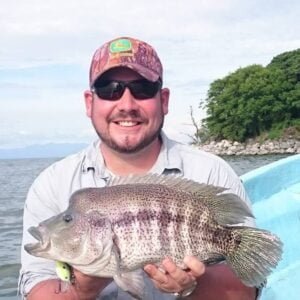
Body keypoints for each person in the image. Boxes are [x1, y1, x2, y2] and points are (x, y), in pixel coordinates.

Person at [19, 36, 258, 300]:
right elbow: (36, 292)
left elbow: (246, 291)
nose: (127, 104)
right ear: (90, 102)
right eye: (110, 89)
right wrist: (83, 288)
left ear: (163, 99)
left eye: (143, 88)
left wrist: (194, 285)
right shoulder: (52, 185)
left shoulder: (213, 172)